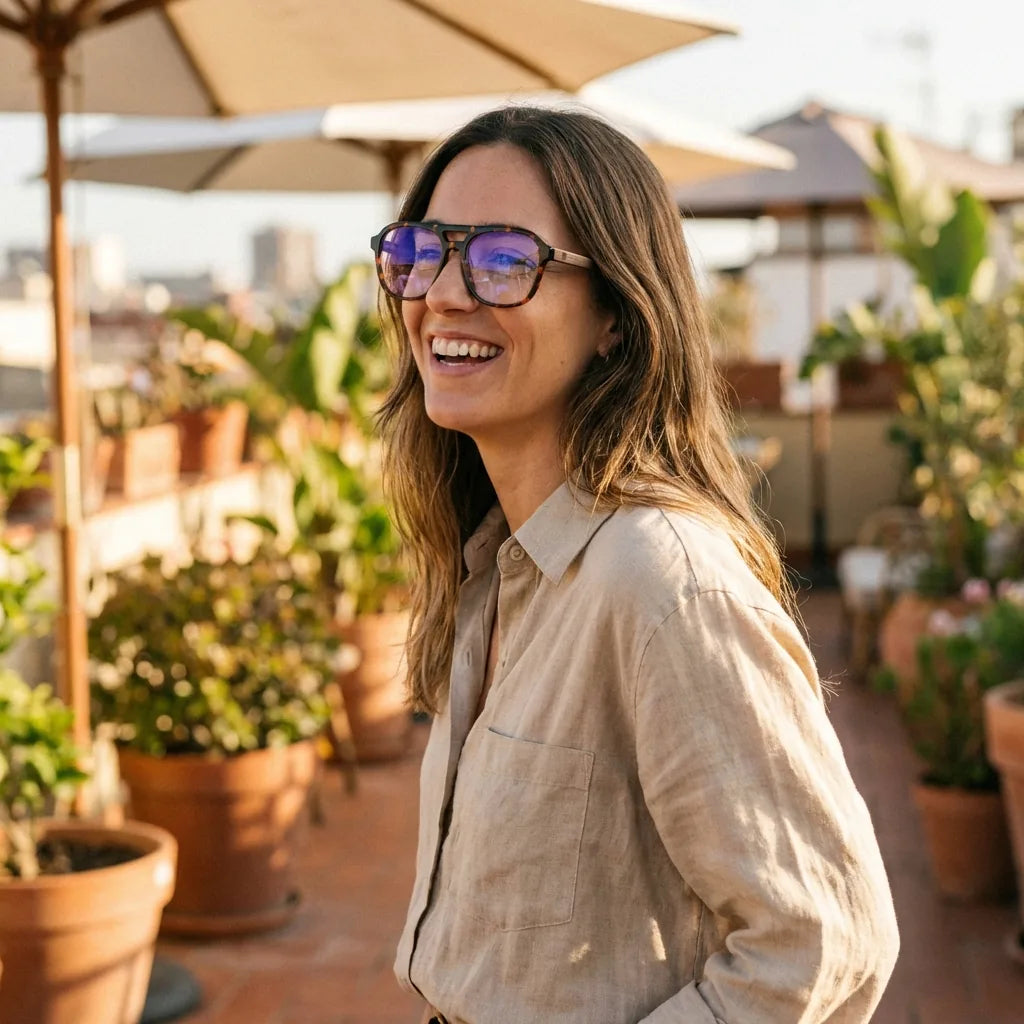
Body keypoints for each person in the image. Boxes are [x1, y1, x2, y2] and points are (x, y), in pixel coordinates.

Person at [372, 105, 899, 1024]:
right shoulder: (498, 561)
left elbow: (823, 936)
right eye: (423, 250)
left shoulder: (660, 582)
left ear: (617, 313)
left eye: (502, 259)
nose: (443, 294)